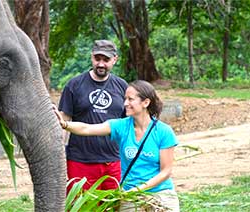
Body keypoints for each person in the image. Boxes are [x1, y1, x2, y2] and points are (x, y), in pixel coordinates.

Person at [55, 80, 180, 212]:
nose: (125, 103)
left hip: (160, 194)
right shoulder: (121, 126)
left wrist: (139, 189)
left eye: (130, 99)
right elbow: (87, 128)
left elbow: (165, 171)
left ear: (146, 102)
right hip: (130, 197)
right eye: (125, 98)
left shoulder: (163, 132)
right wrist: (64, 124)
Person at [58, 40, 128, 192]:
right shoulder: (74, 85)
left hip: (113, 161)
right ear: (91, 57)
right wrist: (60, 154)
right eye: (98, 59)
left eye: (106, 60)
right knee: (81, 206)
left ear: (115, 59)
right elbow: (64, 120)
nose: (101, 64)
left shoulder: (122, 86)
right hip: (80, 161)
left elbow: (128, 124)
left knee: (111, 207)